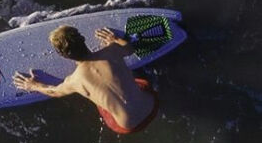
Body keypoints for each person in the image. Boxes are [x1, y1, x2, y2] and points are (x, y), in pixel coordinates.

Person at [13, 24, 159, 135]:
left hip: (128, 126)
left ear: (63, 56)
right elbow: (129, 49)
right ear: (83, 39)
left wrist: (33, 85)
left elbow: (54, 92)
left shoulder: (75, 80)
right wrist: (114, 39)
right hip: (151, 106)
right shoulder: (112, 51)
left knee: (100, 101)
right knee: (139, 83)